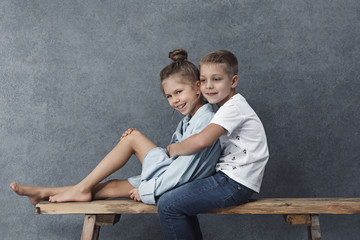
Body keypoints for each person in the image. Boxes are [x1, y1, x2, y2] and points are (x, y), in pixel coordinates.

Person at [10, 49, 221, 206]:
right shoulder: (189, 120)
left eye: (179, 92)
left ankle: (79, 189)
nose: (175, 100)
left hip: (177, 183)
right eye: (169, 96)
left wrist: (148, 190)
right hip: (169, 175)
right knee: (110, 187)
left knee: (132, 138)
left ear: (196, 87)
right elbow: (176, 159)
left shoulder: (206, 120)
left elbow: (184, 171)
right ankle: (43, 192)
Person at [157, 50, 269, 239]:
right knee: (176, 200)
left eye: (216, 79)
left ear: (233, 82)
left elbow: (202, 140)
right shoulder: (225, 108)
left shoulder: (233, 107)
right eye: (204, 80)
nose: (208, 86)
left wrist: (173, 149)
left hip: (234, 183)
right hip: (230, 179)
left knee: (168, 205)